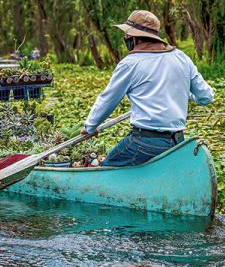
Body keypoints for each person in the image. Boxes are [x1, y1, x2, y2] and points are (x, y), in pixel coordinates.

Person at [82, 10, 214, 167]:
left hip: (144, 143)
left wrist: (90, 127)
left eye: (127, 35)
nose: (126, 38)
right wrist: (187, 93)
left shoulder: (130, 63)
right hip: (177, 142)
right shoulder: (181, 57)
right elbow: (206, 97)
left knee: (105, 169)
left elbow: (108, 100)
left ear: (134, 37)